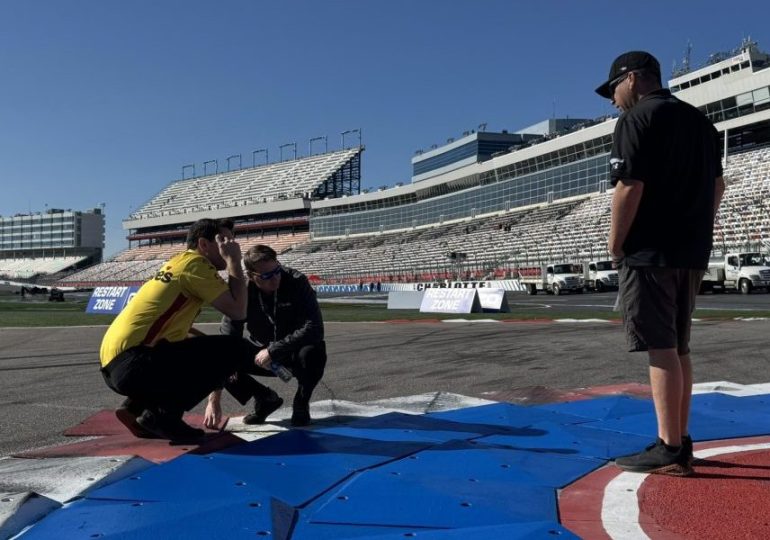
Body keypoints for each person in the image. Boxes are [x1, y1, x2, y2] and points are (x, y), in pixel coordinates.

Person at [596, 51, 725, 475]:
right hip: (691, 251)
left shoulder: (636, 120)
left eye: (613, 89)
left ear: (631, 79)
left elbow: (629, 186)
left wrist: (616, 245)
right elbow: (718, 187)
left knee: (661, 347)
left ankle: (669, 446)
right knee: (679, 347)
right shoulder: (701, 123)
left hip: (651, 251)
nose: (613, 99)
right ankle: (681, 438)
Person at [100, 218, 267, 442]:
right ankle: (160, 417)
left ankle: (135, 406)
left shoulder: (178, 263)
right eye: (224, 240)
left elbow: (178, 331)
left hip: (116, 364)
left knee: (210, 351)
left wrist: (212, 352)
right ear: (204, 244)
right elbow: (238, 311)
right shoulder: (196, 266)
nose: (231, 245)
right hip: (133, 364)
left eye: (232, 241)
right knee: (234, 349)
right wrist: (234, 261)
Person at [205, 244, 327, 428]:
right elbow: (228, 339)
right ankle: (264, 398)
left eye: (277, 270)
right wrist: (214, 398)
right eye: (267, 276)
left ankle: (302, 400)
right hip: (261, 352)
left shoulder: (296, 281)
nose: (275, 278)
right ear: (251, 276)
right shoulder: (243, 291)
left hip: (293, 349)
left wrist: (274, 350)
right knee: (222, 357)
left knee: (314, 351)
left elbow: (315, 327)